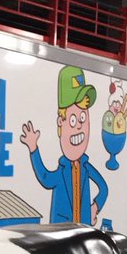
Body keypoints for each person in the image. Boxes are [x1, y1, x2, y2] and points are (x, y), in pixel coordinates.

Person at [20, 64, 108, 225]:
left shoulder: (86, 166)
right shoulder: (61, 171)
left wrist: (95, 206)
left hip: (83, 232)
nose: (79, 126)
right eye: (73, 120)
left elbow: (104, 188)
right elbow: (45, 178)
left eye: (83, 118)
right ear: (61, 123)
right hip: (60, 235)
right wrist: (33, 149)